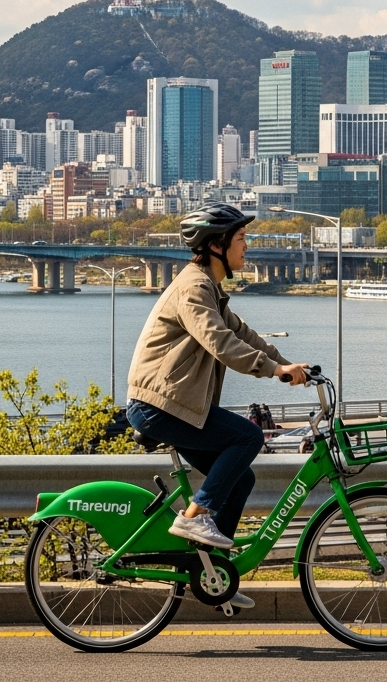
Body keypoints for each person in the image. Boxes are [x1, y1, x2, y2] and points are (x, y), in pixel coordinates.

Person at [126, 203, 308, 610]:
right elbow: (219, 343)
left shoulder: (211, 289)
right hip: (159, 406)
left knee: (240, 479)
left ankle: (213, 573)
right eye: (241, 239)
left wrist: (292, 365)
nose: (248, 247)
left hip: (175, 405)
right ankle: (193, 517)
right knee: (248, 436)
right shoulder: (193, 288)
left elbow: (244, 334)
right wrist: (273, 370)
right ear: (215, 246)